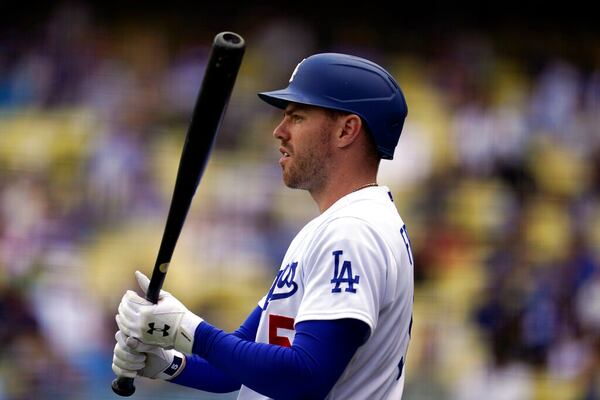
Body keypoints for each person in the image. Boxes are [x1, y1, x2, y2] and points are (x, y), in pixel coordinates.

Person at [112, 52, 414, 399]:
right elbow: (239, 366)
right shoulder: (332, 227)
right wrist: (168, 361)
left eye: (297, 117)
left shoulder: (353, 230)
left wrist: (187, 329)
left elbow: (306, 375)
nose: (279, 131)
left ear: (346, 129)